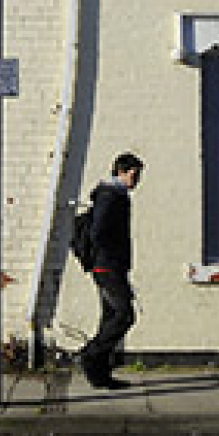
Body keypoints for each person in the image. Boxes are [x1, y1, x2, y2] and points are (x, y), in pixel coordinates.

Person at [77, 152, 144, 389]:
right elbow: (98, 232)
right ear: (120, 172)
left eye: (139, 176)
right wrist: (111, 256)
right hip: (108, 266)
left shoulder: (114, 195)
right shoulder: (110, 196)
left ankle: (100, 375)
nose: (137, 180)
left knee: (110, 317)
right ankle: (89, 355)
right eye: (134, 175)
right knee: (124, 315)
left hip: (109, 265)